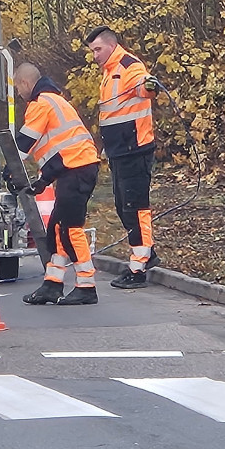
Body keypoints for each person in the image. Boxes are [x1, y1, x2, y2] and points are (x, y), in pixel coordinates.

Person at [13, 63, 102, 306]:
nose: (18, 93)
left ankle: (86, 285)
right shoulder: (55, 101)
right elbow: (61, 150)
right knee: (57, 228)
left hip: (76, 170)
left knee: (69, 228)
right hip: (75, 168)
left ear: (24, 83)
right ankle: (52, 284)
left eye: (17, 87)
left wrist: (10, 168)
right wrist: (43, 181)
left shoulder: (40, 103)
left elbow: (24, 142)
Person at [84, 25, 161, 289]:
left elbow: (144, 85)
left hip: (135, 149)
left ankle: (138, 268)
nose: (95, 55)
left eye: (98, 49)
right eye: (92, 50)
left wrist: (150, 86)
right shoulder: (108, 73)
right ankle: (146, 253)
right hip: (120, 151)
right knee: (124, 206)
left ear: (111, 45)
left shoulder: (129, 67)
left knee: (135, 207)